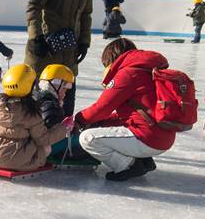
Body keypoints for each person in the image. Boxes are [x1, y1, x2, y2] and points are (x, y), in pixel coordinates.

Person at [75, 38, 186, 181]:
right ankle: (144, 160)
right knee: (113, 129)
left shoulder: (128, 74)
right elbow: (129, 114)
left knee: (88, 138)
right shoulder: (148, 69)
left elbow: (102, 107)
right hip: (163, 136)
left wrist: (78, 119)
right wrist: (101, 123)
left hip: (148, 138)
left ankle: (128, 165)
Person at [25, 0, 101, 116]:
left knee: (66, 102)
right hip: (45, 46)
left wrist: (84, 41)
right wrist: (36, 37)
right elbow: (33, 5)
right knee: (36, 101)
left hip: (69, 48)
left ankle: (61, 141)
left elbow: (86, 13)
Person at [0, 64, 75, 171]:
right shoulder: (31, 112)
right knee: (45, 148)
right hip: (16, 160)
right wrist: (63, 127)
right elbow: (43, 139)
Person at [32, 64, 95, 164]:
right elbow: (51, 130)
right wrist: (68, 128)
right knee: (81, 138)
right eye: (64, 88)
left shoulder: (37, 97)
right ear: (56, 85)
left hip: (37, 144)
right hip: (45, 146)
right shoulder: (49, 104)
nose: (65, 93)